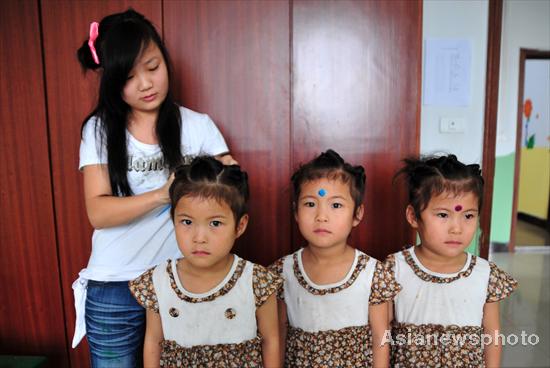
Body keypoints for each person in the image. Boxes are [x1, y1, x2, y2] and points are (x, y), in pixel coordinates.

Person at [73, 9, 236, 367]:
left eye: (152, 67)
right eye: (129, 77)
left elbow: (233, 187)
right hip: (115, 287)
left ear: (165, 60)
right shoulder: (99, 131)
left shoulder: (198, 126)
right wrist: (165, 194)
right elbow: (98, 212)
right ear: (111, 81)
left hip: (184, 282)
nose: (146, 84)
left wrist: (219, 179)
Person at [129, 156, 281, 367]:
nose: (199, 237)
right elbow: (153, 341)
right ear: (173, 220)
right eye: (187, 222)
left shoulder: (257, 280)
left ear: (240, 226)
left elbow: (271, 340)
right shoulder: (159, 281)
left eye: (215, 223)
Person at [269, 149, 401, 367]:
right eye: (310, 204)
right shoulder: (282, 272)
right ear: (295, 212)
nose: (321, 216)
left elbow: (381, 337)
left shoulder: (373, 274)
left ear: (357, 214)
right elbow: (279, 332)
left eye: (336, 205)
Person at [387, 154, 518, 367]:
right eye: (442, 215)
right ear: (413, 217)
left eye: (468, 216)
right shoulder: (395, 269)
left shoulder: (485, 274)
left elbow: (492, 336)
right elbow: (382, 331)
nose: (456, 228)